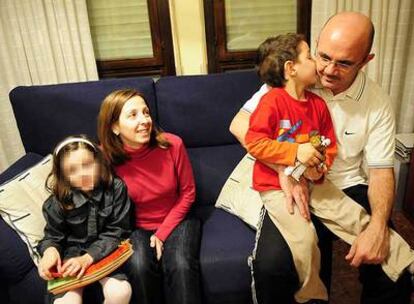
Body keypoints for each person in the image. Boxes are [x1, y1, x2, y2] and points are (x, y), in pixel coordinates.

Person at [230, 11, 413, 304]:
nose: (327, 70)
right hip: (288, 184)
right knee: (273, 267)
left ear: (365, 61)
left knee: (393, 268)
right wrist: (284, 167)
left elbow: (380, 171)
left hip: (346, 186)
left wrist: (378, 227)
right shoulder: (290, 81)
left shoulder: (376, 102)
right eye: (323, 56)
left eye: (343, 63)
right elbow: (241, 127)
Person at [97, 89, 201, 304]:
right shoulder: (104, 157)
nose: (144, 120)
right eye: (133, 115)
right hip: (135, 226)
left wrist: (162, 234)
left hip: (177, 218)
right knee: (138, 266)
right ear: (114, 127)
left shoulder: (172, 144)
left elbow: (188, 193)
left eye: (146, 112)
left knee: (180, 264)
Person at [37, 135, 133, 304]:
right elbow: (52, 237)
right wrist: (49, 252)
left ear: (98, 162)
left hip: (104, 252)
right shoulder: (57, 203)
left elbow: (117, 231)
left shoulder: (116, 188)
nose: (83, 174)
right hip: (71, 256)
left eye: (88, 165)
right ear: (64, 176)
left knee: (120, 292)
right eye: (72, 170)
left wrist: (89, 257)